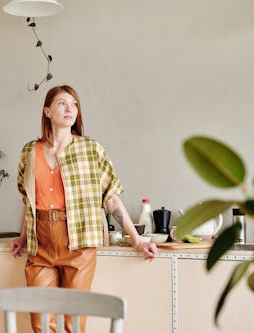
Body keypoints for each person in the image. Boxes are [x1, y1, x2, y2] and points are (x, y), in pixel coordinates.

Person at [10, 85, 158, 333]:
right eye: (62, 103)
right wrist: (23, 237)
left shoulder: (91, 150)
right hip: (41, 246)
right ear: (47, 111)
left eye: (74, 104)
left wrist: (137, 240)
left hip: (78, 245)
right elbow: (29, 201)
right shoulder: (29, 151)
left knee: (73, 325)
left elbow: (111, 199)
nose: (70, 109)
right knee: (41, 324)